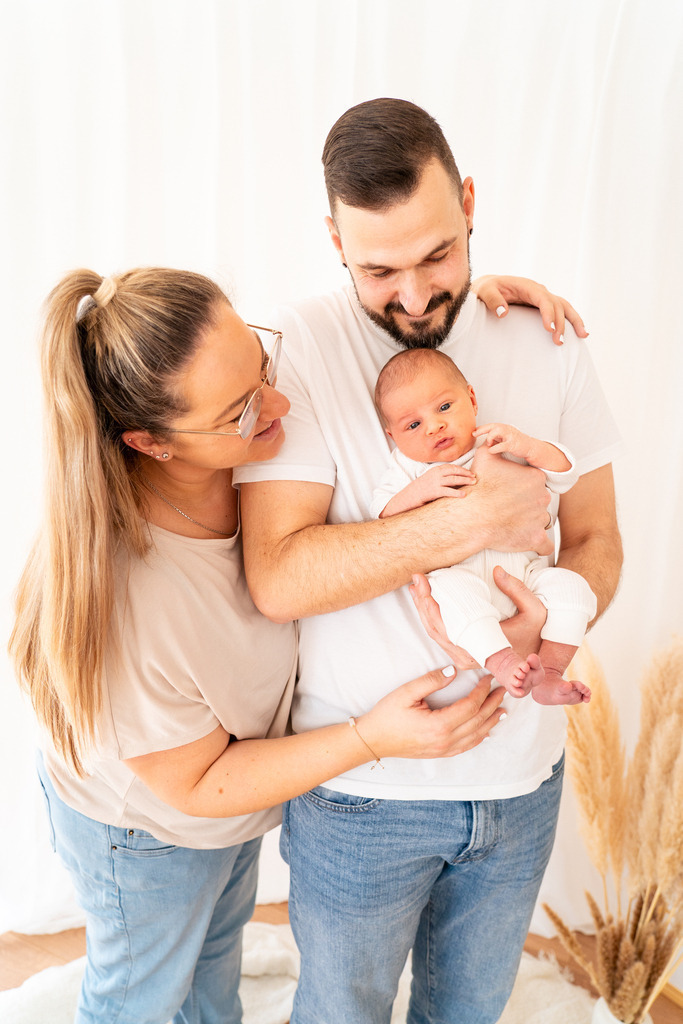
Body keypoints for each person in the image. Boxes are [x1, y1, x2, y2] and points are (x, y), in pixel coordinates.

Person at [9, 266, 514, 1024]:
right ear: (149, 443)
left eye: (264, 366)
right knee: (138, 996)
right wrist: (371, 737)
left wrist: (475, 307)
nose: (279, 405)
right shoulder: (129, 603)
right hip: (143, 834)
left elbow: (364, 336)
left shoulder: (245, 460)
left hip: (228, 813)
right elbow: (199, 787)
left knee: (214, 979)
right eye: (243, 411)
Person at [235, 97, 623, 1024]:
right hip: (362, 801)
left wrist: (553, 621)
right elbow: (278, 576)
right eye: (379, 269)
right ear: (333, 237)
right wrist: (465, 523)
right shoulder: (298, 350)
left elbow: (600, 538)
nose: (413, 296)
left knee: (470, 1011)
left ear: (471, 204)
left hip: (521, 787)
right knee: (341, 1011)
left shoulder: (544, 336)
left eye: (438, 256)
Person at [371, 347, 596, 706]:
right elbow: (381, 516)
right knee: (452, 596)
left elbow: (565, 473)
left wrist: (529, 446)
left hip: (526, 576)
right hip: (464, 580)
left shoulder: (496, 441)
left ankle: (551, 674)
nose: (434, 426)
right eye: (413, 425)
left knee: (573, 587)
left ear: (471, 399)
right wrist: (420, 489)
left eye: (444, 407)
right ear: (392, 437)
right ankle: (504, 662)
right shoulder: (408, 469)